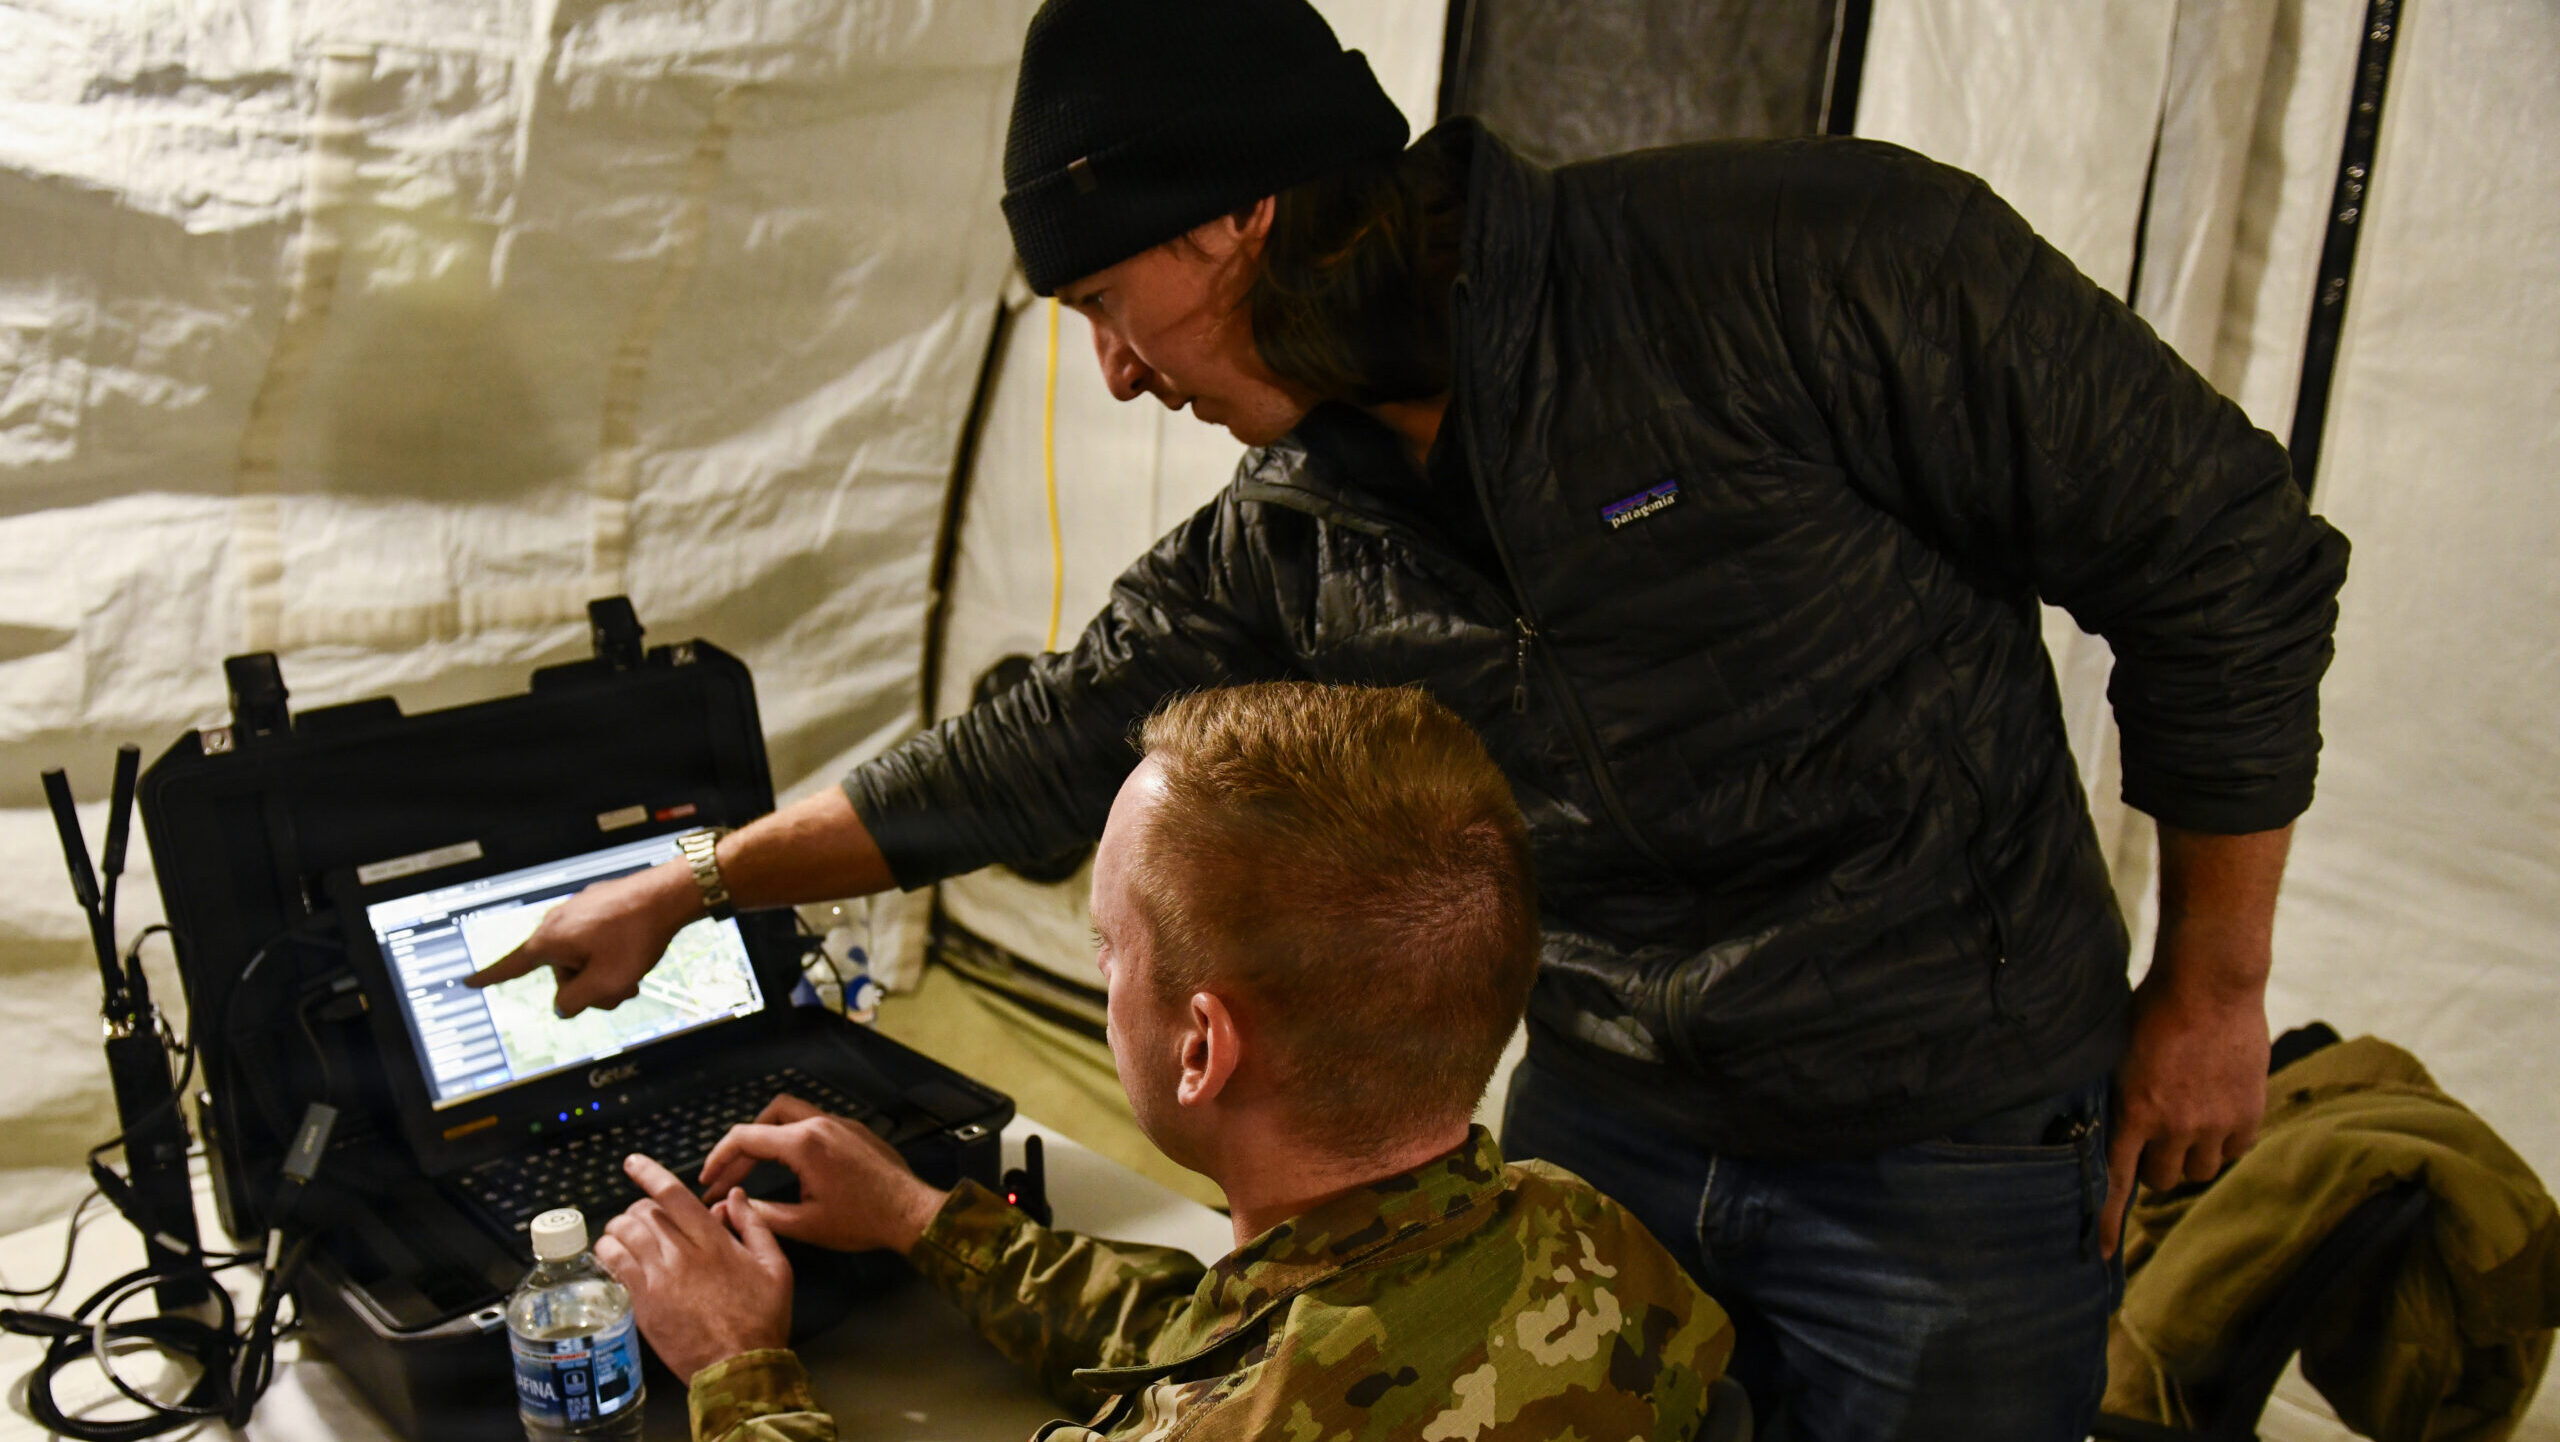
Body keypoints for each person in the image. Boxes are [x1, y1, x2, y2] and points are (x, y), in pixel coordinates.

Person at [472, 0, 2352, 1433]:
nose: (1113, 375)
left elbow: (2224, 553)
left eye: (1109, 301)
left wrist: (2213, 986)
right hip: (1606, 1126)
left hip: (1945, 1137)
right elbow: (1040, 743)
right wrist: (696, 884)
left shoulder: (1813, 263)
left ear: (1242, 216)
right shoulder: (1303, 513)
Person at [590, 683, 1738, 1440]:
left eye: (1107, 945)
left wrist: (736, 1364)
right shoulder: (1589, 1234)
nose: (1100, 972)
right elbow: (1213, 1341)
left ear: (1200, 1047)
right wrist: (918, 1214)